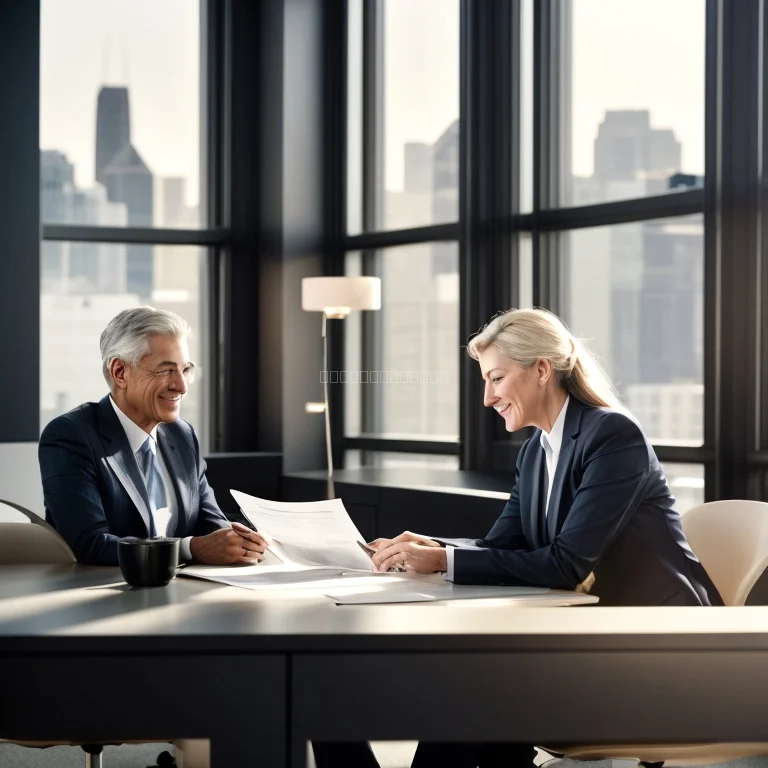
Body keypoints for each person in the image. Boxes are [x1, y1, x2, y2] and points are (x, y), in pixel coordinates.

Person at [364, 307, 722, 768]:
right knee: (471, 694)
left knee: (476, 696)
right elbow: (503, 546)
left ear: (540, 370)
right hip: (598, 639)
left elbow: (564, 563)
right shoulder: (537, 450)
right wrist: (434, 548)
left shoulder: (613, 435)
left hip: (659, 652)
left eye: (496, 378)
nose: (487, 398)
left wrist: (442, 563)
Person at [39, 307, 267, 567]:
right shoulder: (71, 435)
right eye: (166, 371)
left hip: (186, 592)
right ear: (120, 373)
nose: (181, 386)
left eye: (185, 370)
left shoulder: (181, 434)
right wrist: (188, 549)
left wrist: (241, 541)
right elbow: (88, 543)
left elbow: (210, 524)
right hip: (107, 596)